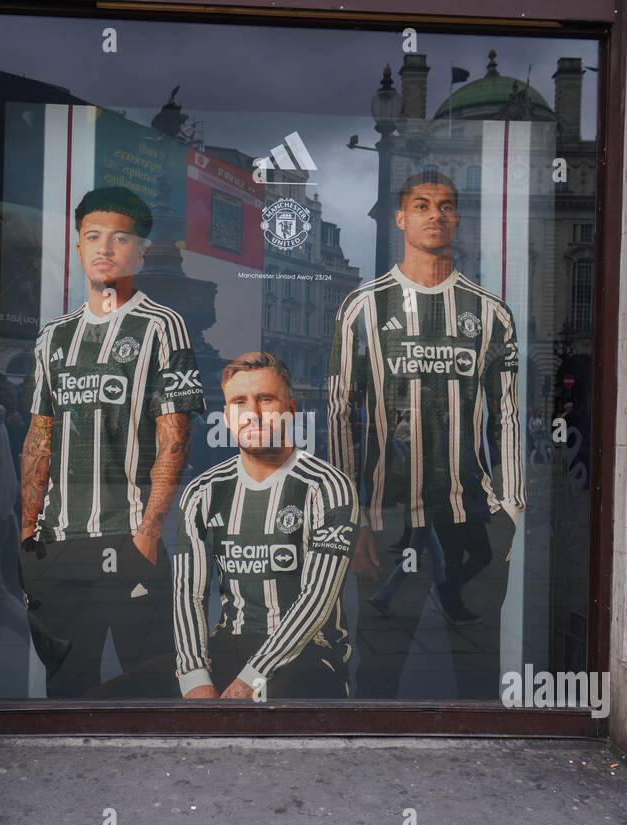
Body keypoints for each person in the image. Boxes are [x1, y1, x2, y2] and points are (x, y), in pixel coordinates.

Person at [327, 170, 524, 699]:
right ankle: (368, 768)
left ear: (458, 218)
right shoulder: (363, 308)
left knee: (476, 671)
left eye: (446, 205)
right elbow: (342, 414)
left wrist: (511, 508)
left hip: (474, 516)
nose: (435, 214)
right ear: (401, 218)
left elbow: (506, 417)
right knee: (377, 670)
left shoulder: (490, 313)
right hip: (386, 515)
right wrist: (352, 519)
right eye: (421, 205)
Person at [19, 187, 204, 696]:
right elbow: (40, 435)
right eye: (92, 236)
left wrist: (148, 532)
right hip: (57, 543)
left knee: (145, 681)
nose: (104, 247)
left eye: (120, 238)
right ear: (78, 247)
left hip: (129, 536)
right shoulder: (53, 336)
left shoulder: (162, 326)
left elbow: (175, 439)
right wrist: (27, 532)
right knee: (66, 683)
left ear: (140, 251)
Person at [92, 352, 357, 700]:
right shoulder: (203, 492)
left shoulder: (327, 486)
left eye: (265, 399)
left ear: (290, 410)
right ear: (228, 417)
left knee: (249, 720)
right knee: (103, 704)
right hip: (228, 645)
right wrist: (194, 677)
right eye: (240, 402)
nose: (254, 413)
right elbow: (190, 594)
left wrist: (251, 680)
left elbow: (316, 601)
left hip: (310, 653)